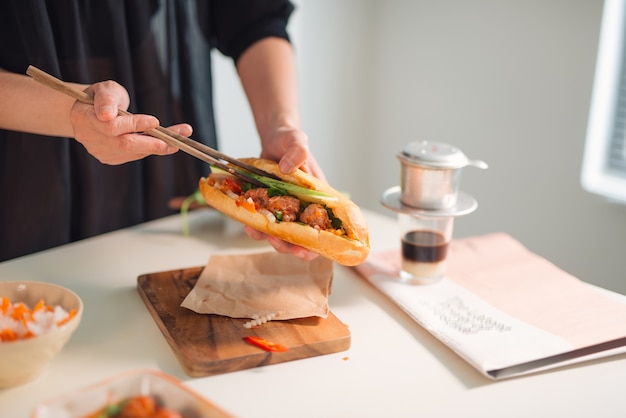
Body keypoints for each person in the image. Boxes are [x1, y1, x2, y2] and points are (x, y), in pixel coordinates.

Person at [0, 0, 323, 262]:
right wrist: (69, 113)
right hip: (30, 173)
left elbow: (255, 18)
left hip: (170, 162)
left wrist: (279, 126)